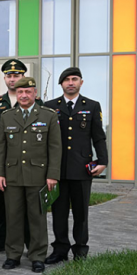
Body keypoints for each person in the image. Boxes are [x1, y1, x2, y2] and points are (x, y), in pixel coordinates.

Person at [0, 77, 61, 273]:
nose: (24, 95)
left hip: (38, 175)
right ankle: (13, 255)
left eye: (28, 92)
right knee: (13, 216)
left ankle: (37, 256)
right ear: (16, 93)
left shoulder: (48, 116)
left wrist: (52, 175)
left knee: (37, 217)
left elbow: (55, 148)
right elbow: (0, 148)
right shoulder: (7, 116)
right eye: (20, 92)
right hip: (12, 175)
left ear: (35, 93)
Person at [44, 67, 108, 263]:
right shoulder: (49, 106)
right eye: (66, 80)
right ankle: (60, 250)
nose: (70, 83)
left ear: (81, 82)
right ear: (61, 84)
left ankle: (80, 250)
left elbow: (98, 137)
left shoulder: (92, 105)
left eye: (74, 79)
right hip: (57, 170)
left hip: (81, 169)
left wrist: (103, 161)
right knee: (59, 213)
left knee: (81, 213)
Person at [0, 59, 43, 254]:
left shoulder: (39, 105)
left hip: (30, 166)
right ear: (4, 78)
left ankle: (29, 243)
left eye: (16, 75)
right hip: (4, 164)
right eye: (9, 76)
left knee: (29, 207)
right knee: (2, 206)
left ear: (23, 77)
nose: (13, 79)